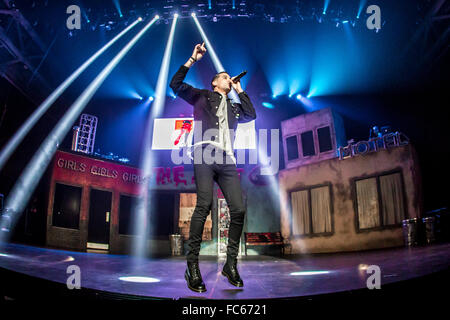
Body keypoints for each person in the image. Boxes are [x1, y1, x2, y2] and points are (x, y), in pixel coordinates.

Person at [169, 42, 256, 293]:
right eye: (226, 78)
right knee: (204, 205)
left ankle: (230, 265)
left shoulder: (234, 106)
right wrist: (192, 59)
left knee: (238, 209)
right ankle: (192, 266)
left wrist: (239, 90)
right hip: (205, 152)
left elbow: (251, 114)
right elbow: (175, 85)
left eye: (231, 78)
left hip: (228, 160)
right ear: (215, 83)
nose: (230, 80)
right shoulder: (203, 97)